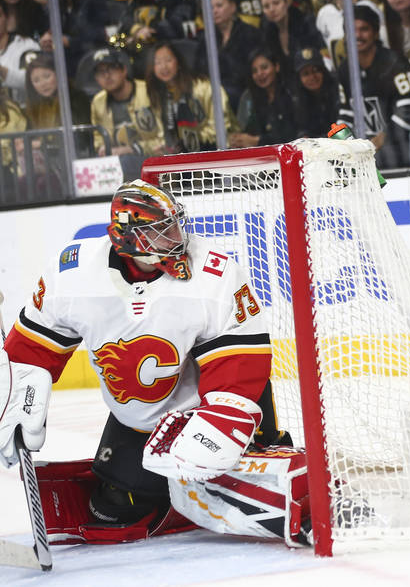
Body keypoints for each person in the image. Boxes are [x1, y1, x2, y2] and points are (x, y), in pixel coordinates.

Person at [0, 180, 306, 545]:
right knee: (110, 513)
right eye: (163, 232)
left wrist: (223, 421)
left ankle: (263, 450)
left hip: (207, 410)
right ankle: (174, 492)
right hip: (137, 422)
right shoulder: (72, 274)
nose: (178, 237)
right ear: (129, 239)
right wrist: (16, 394)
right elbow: (32, 348)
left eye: (176, 224)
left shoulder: (214, 274)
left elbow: (240, 361)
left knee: (256, 498)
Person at [334, 5, 410, 169]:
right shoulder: (345, 69)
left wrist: (383, 138)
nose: (357, 36)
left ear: (375, 33)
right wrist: (342, 143)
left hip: (399, 145)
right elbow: (345, 112)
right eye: (351, 31)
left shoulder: (395, 64)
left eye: (364, 29)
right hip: (366, 147)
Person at [144, 41, 238, 152]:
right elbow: (160, 135)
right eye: (157, 63)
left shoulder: (203, 87)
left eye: (168, 60)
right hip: (184, 154)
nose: (163, 67)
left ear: (178, 63)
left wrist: (187, 140)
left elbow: (222, 127)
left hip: (221, 148)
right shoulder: (157, 94)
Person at [41, 0, 110, 72]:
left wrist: (70, 42)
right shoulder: (59, 5)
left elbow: (101, 34)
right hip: (69, 58)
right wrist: (48, 37)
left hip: (92, 56)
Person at [88, 47, 160, 156]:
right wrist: (102, 148)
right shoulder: (98, 102)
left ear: (124, 70)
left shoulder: (149, 91)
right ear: (96, 79)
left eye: (111, 68)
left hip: (155, 160)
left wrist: (134, 149)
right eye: (100, 72)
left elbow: (165, 140)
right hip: (118, 165)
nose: (107, 76)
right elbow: (97, 138)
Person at [207, 0, 264, 111]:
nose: (214, 11)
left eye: (219, 6)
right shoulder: (206, 38)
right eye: (210, 7)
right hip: (212, 92)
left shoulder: (250, 34)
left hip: (242, 92)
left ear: (232, 7)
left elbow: (249, 72)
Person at [260, 0, 326, 80]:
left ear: (287, 3)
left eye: (276, 3)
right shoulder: (267, 33)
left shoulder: (307, 23)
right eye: (266, 6)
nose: (272, 9)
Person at [234, 48, 298, 146]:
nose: (259, 74)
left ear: (276, 67)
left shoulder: (290, 93)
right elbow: (249, 130)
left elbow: (291, 135)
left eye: (264, 68)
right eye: (254, 71)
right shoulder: (252, 97)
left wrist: (258, 141)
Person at [291, 46, 350, 139]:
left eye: (316, 70)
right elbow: (301, 128)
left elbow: (344, 128)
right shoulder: (298, 100)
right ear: (299, 78)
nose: (312, 77)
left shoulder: (338, 89)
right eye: (306, 74)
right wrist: (303, 137)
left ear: (324, 71)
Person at [0, 3, 41, 106]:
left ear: (6, 18)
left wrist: (3, 72)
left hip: (26, 115)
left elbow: (37, 80)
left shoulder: (25, 46)